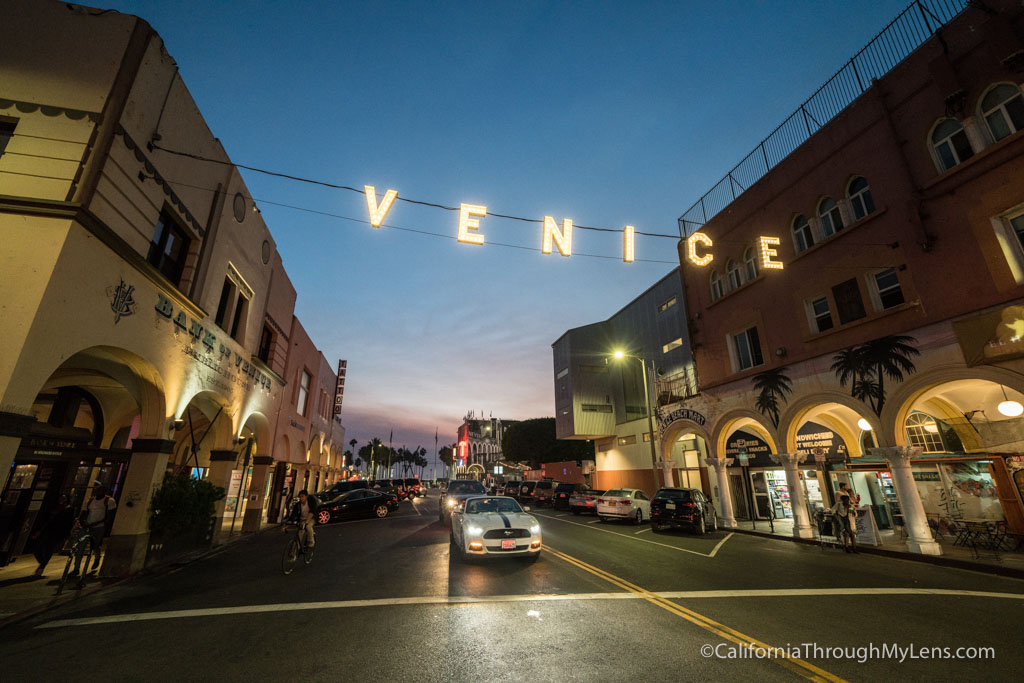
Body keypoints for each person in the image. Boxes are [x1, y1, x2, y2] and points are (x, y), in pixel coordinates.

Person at [71, 485, 117, 575]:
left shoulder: (109, 501)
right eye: (97, 490)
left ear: (104, 491)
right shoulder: (90, 500)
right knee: (80, 547)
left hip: (99, 526)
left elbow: (109, 516)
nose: (98, 492)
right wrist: (82, 522)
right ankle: (76, 568)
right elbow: (84, 512)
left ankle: (96, 558)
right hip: (86, 526)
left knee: (95, 545)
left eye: (100, 490)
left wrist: (98, 523)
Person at [32, 495, 75, 576]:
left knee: (49, 549)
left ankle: (42, 566)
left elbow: (68, 523)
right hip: (48, 530)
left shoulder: (69, 510)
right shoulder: (55, 508)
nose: (61, 500)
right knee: (37, 547)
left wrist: (66, 533)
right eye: (61, 498)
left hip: (58, 532)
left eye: (64, 499)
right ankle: (43, 562)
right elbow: (47, 520)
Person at [284, 489, 318, 554]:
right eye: (300, 497)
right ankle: (293, 553)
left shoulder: (311, 501)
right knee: (299, 535)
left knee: (308, 526)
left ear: (306, 496)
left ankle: (311, 541)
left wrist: (307, 521)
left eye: (302, 496)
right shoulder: (298, 505)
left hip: (311, 518)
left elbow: (312, 511)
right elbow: (293, 515)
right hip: (302, 520)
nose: (301, 498)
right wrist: (288, 523)